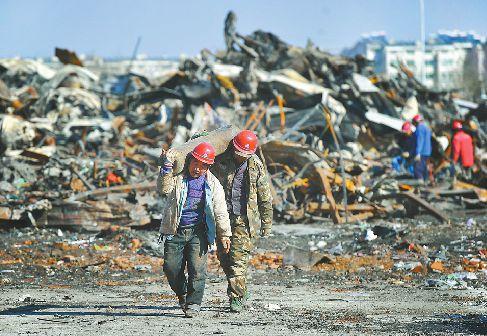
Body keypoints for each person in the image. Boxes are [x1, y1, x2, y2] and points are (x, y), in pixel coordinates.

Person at [157, 142, 232, 318]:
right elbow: (163, 189)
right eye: (195, 164)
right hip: (175, 230)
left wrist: (225, 234)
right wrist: (166, 167)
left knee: (198, 270)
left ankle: (193, 303)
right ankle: (182, 293)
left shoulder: (213, 184)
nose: (198, 169)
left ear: (208, 167)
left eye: (203, 166)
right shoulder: (178, 178)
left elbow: (220, 211)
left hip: (199, 232)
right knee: (170, 267)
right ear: (190, 161)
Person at [211, 130, 273, 313]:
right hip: (223, 218)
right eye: (238, 152)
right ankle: (242, 290)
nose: (241, 156)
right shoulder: (223, 159)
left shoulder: (256, 166)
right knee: (224, 259)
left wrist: (266, 223)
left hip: (244, 220)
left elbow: (264, 197)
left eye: (245, 154)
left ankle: (236, 298)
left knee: (238, 261)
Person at [412, 114, 432, 182]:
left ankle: (420, 184)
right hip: (427, 152)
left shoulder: (419, 129)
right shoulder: (427, 128)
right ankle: (425, 182)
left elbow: (420, 140)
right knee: (424, 168)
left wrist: (418, 153)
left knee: (418, 169)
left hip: (422, 152)